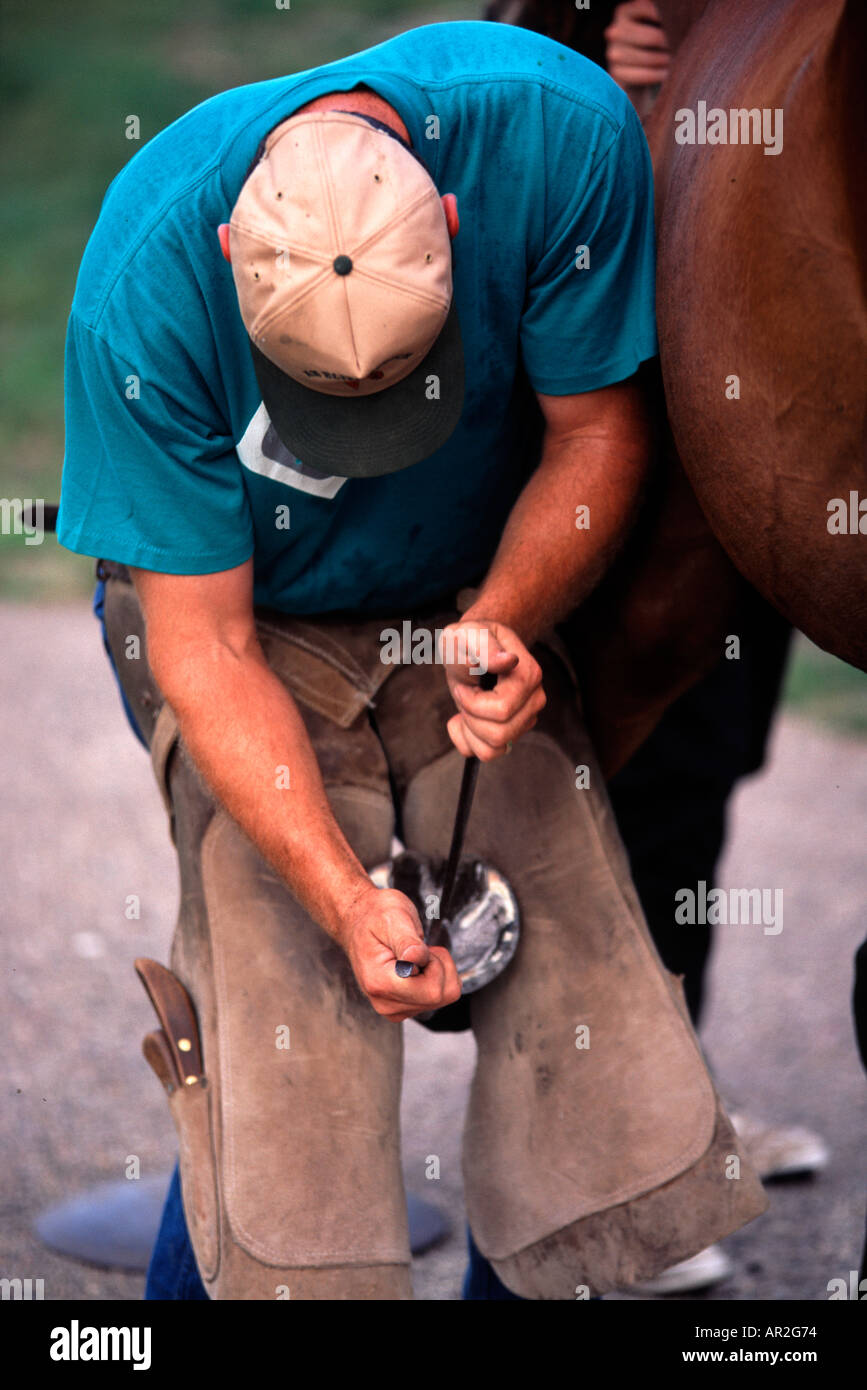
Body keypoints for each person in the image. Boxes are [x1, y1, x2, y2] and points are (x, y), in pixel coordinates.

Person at [58, 20, 766, 1300]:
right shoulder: (145, 278)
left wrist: (501, 615)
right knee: (288, 991)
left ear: (450, 209)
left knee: (568, 931)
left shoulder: (558, 136)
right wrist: (344, 896)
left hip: (460, 578)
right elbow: (204, 648)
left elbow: (598, 437)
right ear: (232, 253)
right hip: (244, 615)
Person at [486, 0, 829, 1295]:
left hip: (774, 393)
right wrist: (601, 67)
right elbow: (515, 52)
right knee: (633, 751)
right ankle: (599, 1149)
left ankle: (671, 1110)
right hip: (627, 377)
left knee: (715, 757)